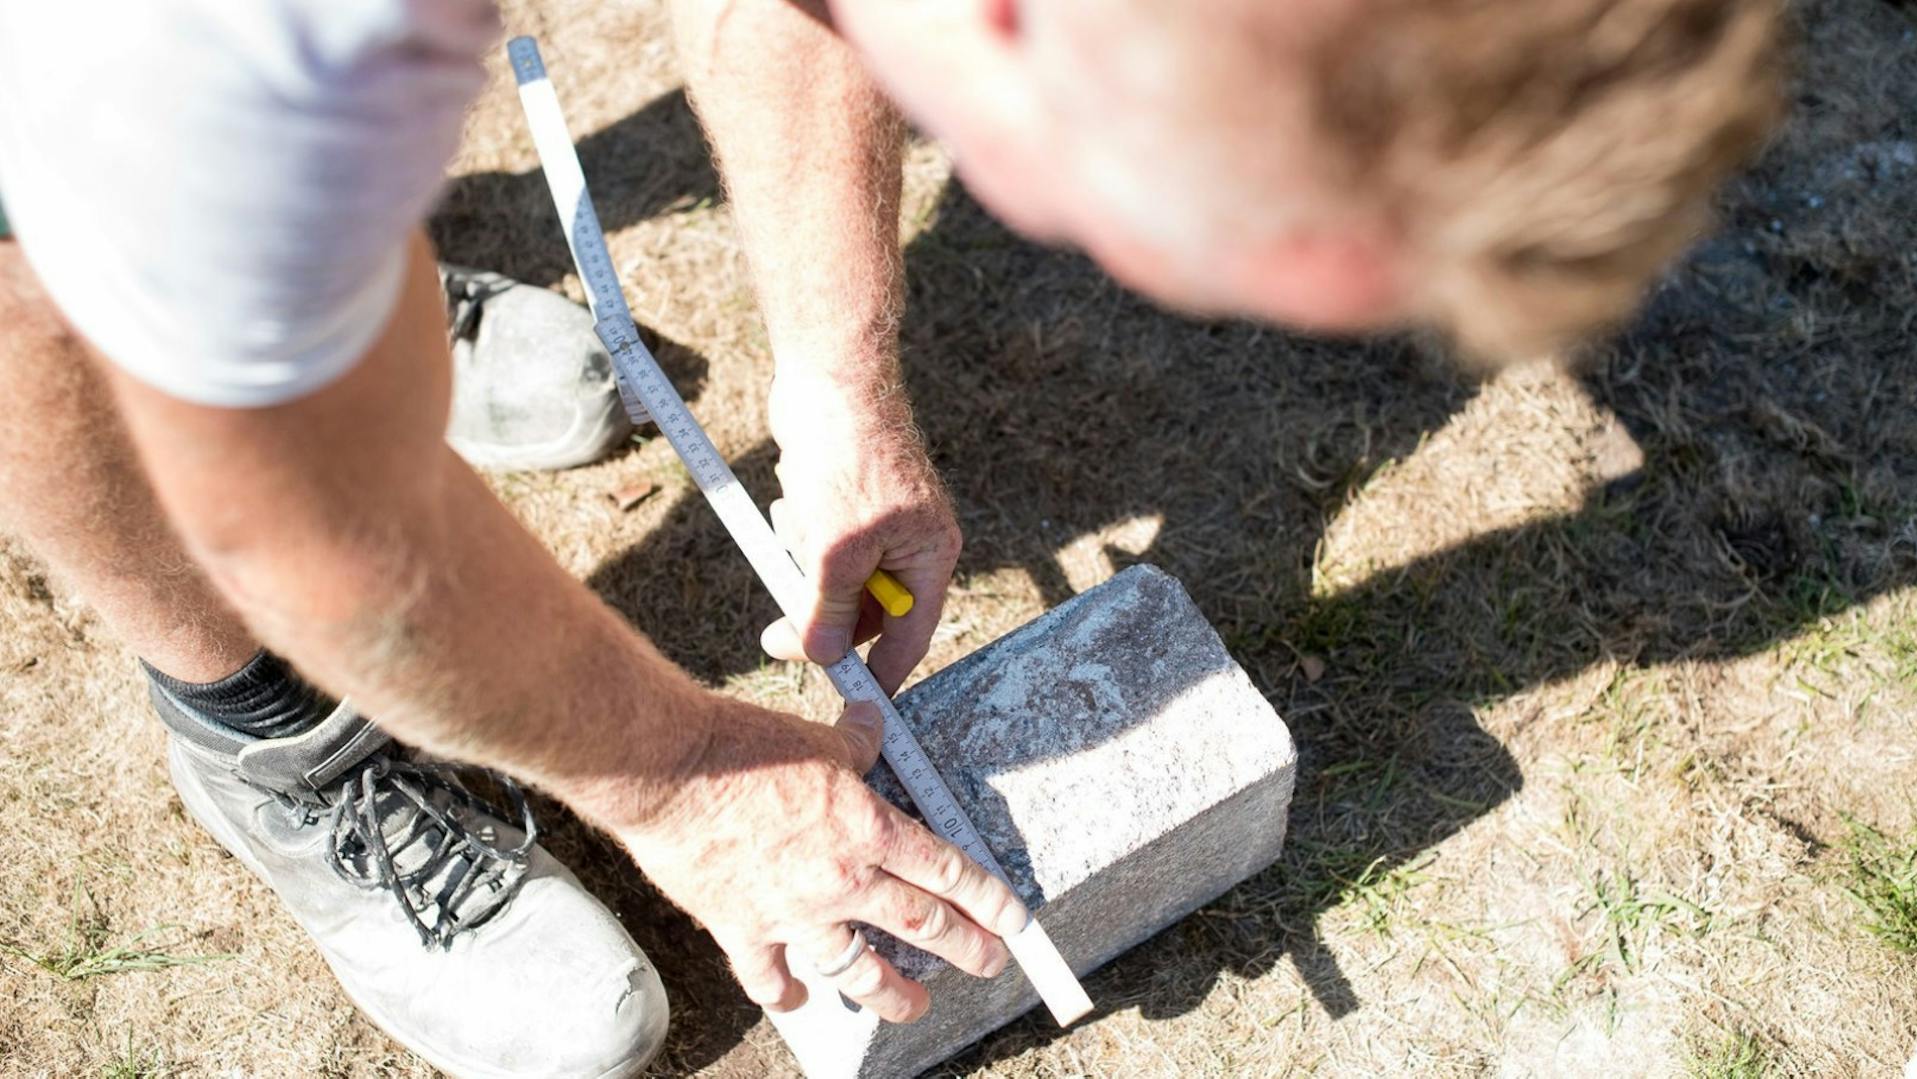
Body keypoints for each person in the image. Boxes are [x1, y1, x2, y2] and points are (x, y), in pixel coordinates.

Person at [0, 0, 1782, 1074]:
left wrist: (842, 383)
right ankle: (262, 711)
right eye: (1101, 214)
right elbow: (296, 508)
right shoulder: (223, 53)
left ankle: (329, 262)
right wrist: (685, 776)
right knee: (76, 301)